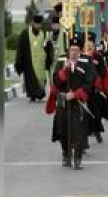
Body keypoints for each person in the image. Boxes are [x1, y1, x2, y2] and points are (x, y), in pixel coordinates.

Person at [45, 36, 93, 170]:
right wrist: (63, 71)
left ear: (80, 51)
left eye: (77, 50)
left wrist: (76, 94)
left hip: (78, 102)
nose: (74, 53)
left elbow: (89, 83)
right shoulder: (61, 61)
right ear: (68, 50)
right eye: (72, 50)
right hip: (63, 102)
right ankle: (66, 154)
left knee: (78, 131)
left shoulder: (86, 62)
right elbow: (55, 82)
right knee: (63, 130)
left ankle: (77, 157)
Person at [15, 15, 51, 102]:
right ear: (33, 23)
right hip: (29, 61)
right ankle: (32, 95)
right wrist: (20, 62)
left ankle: (40, 94)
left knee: (41, 78)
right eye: (36, 24)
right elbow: (21, 47)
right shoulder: (25, 33)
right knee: (31, 79)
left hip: (41, 61)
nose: (38, 26)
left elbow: (46, 47)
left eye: (39, 24)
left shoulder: (43, 33)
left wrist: (48, 58)